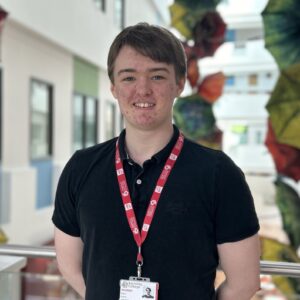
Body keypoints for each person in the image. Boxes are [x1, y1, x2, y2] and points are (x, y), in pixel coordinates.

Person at [52, 22, 261, 300]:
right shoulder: (81, 168)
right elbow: (69, 266)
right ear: (113, 87)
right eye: (128, 78)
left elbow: (244, 283)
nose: (143, 90)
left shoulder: (219, 175)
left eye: (158, 76)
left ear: (179, 84)